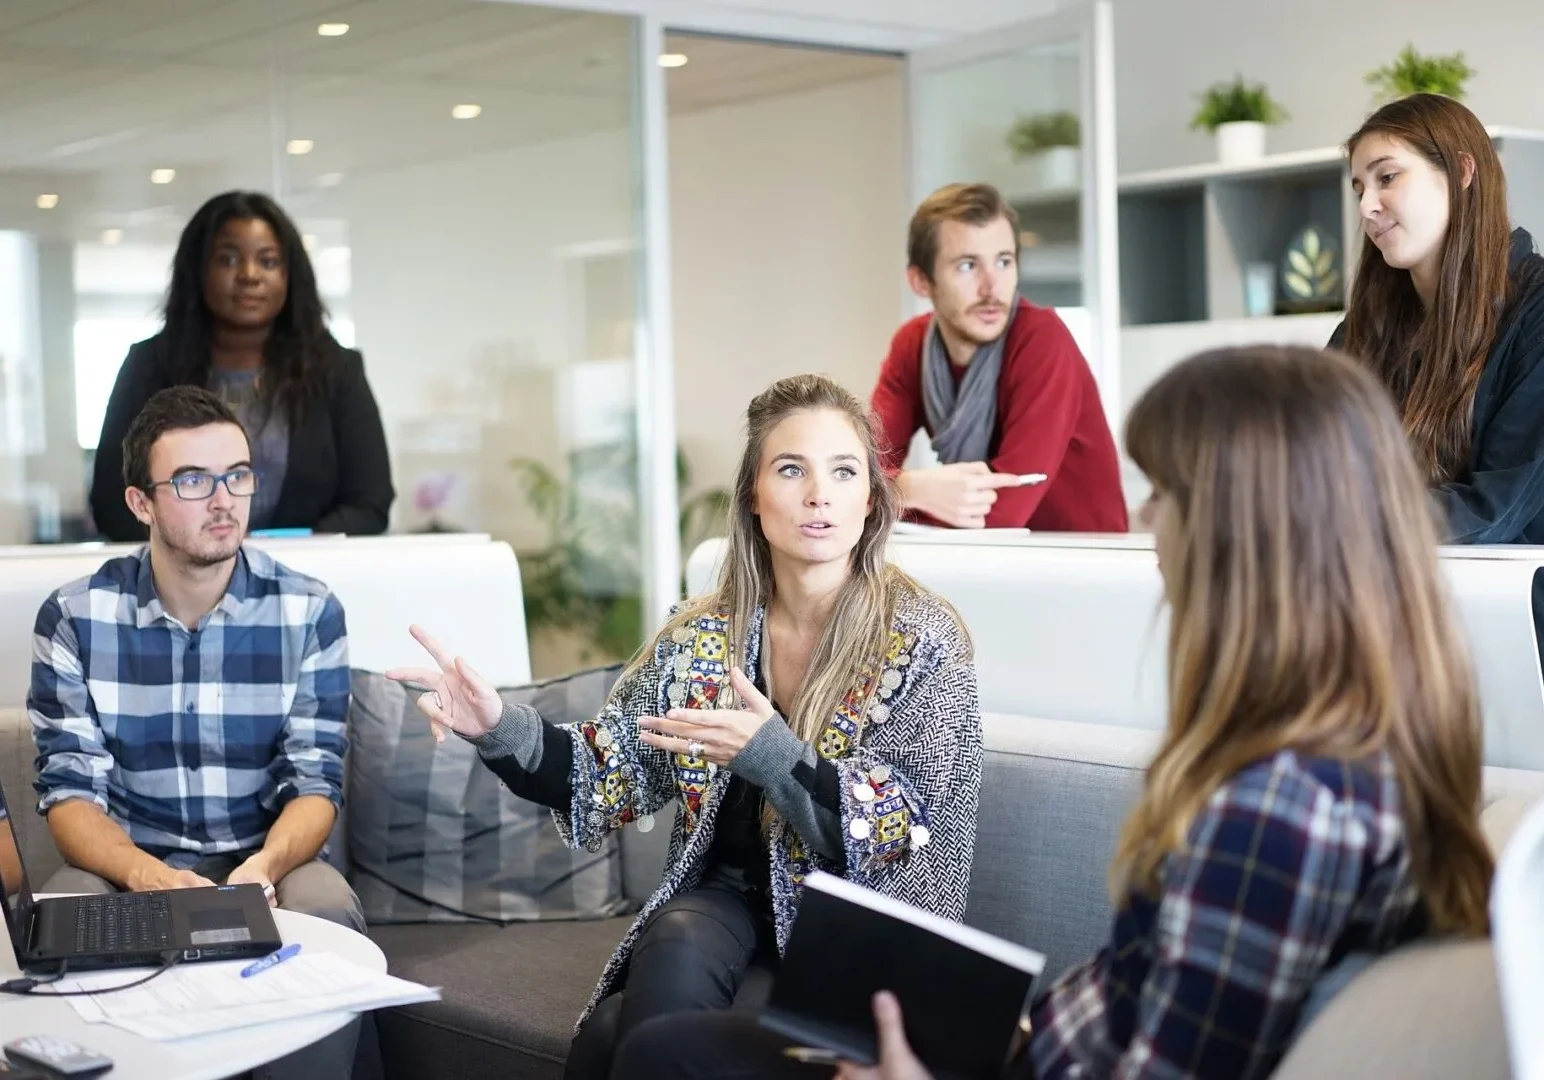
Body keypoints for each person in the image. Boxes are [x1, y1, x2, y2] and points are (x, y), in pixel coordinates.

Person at [628, 347, 1494, 1080]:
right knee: (646, 1039)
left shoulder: (1278, 811)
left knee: (661, 1055)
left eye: (1165, 493)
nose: (1148, 520)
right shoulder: (1347, 751)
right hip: (1027, 1043)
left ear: (1250, 529)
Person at [389, 374, 984, 1080]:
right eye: (791, 469)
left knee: (617, 1034)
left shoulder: (922, 639)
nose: (819, 493)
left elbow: (900, 828)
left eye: (843, 471)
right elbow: (601, 772)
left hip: (857, 935)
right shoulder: (704, 635)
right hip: (727, 903)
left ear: (870, 500)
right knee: (674, 938)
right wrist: (494, 725)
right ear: (755, 501)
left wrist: (770, 755)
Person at [1332, 94, 1544, 646]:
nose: (1367, 207)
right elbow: (1313, 462)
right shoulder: (1366, 328)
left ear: (1461, 172)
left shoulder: (1537, 312)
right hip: (1395, 625)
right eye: (1359, 188)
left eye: (1387, 177)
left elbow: (1496, 506)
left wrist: (1337, 524)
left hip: (1517, 635)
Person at [90, 190, 394, 541]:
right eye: (228, 260)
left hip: (306, 579)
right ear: (197, 270)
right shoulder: (149, 366)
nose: (250, 275)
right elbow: (113, 505)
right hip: (180, 584)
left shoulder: (337, 370)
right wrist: (202, 552)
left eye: (268, 261)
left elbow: (370, 503)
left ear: (290, 276)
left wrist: (285, 557)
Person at [868, 182, 1126, 532]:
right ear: (920, 281)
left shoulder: (1042, 339)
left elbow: (1005, 511)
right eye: (967, 266)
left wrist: (890, 494)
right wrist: (910, 488)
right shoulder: (911, 345)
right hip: (986, 560)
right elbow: (858, 472)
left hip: (1081, 564)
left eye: (1004, 262)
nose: (992, 287)